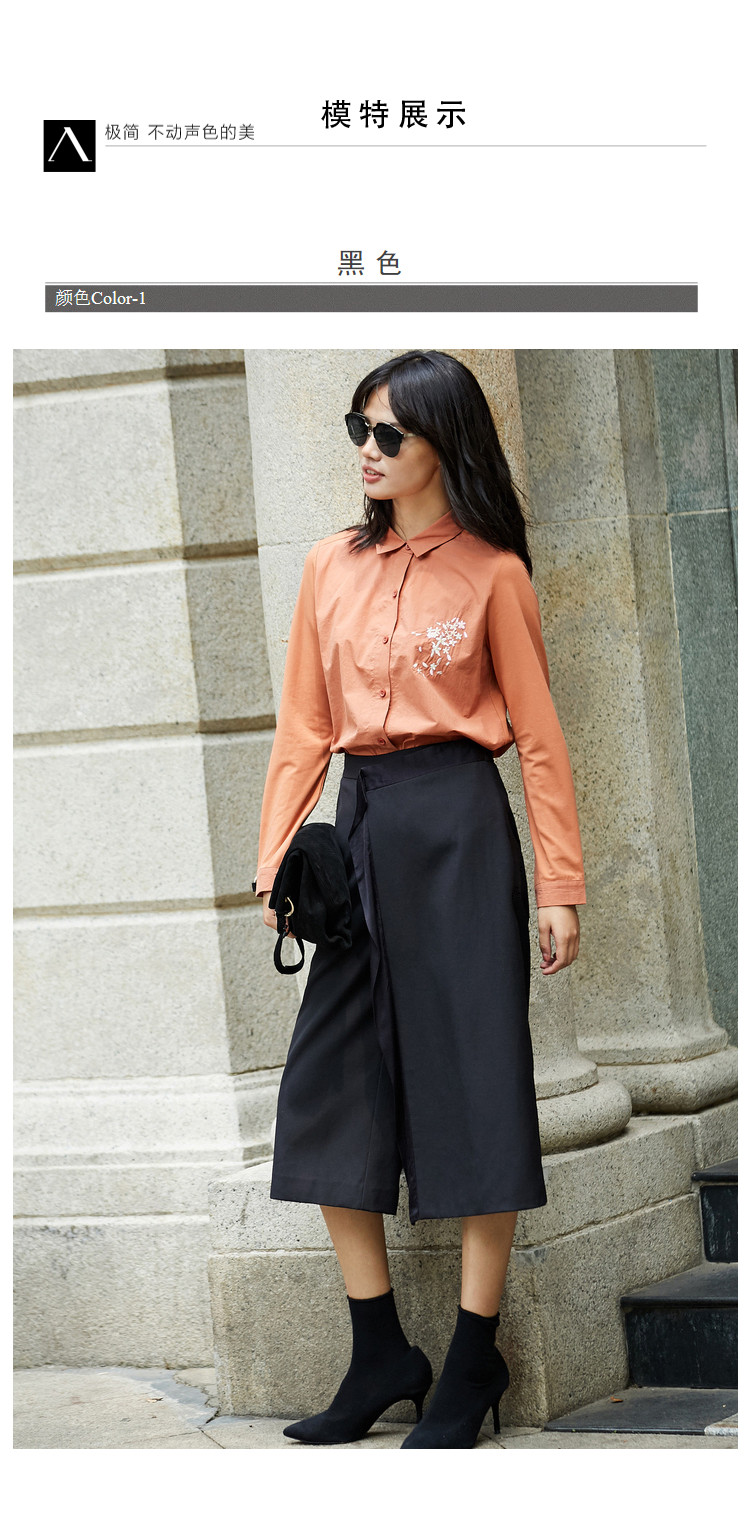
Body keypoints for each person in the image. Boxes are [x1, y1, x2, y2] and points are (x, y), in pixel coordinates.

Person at [251, 349, 586, 1449]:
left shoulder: (494, 574)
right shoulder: (328, 566)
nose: (369, 448)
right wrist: (275, 863)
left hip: (457, 833)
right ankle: (381, 1350)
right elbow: (305, 726)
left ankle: (473, 1356)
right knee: (327, 1087)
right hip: (359, 828)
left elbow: (540, 739)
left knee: (477, 1084)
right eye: (360, 426)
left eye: (390, 432)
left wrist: (560, 885)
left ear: (445, 444)